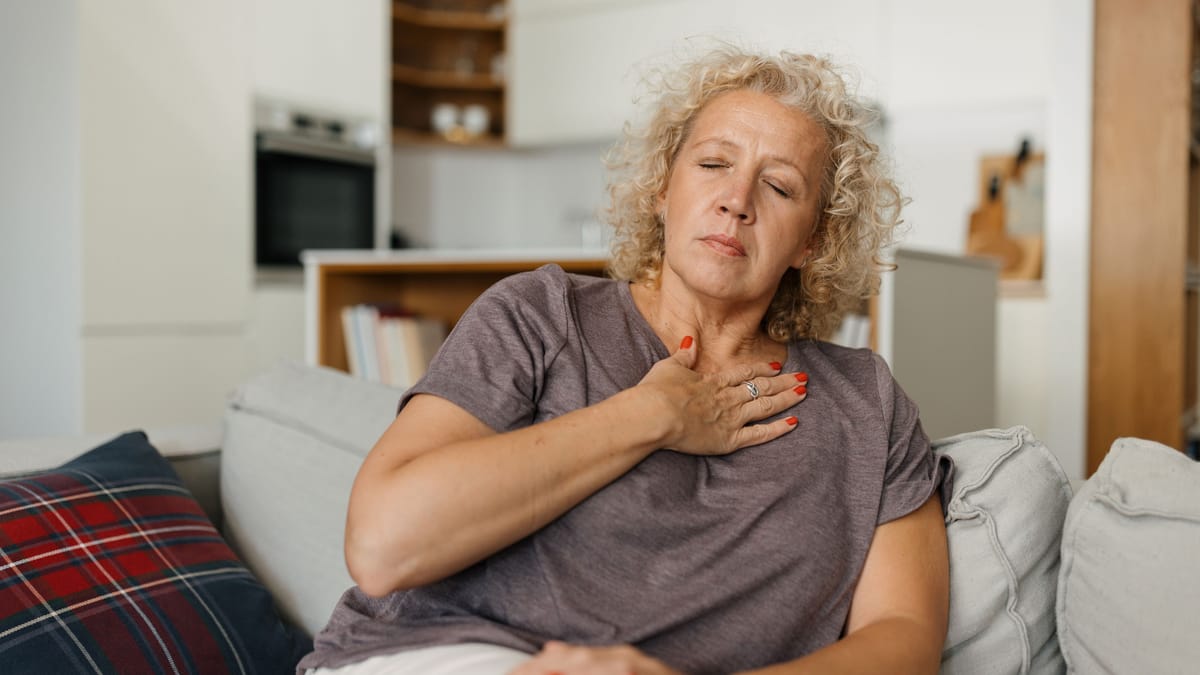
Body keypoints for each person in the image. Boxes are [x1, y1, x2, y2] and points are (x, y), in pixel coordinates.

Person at [299, 45, 953, 675]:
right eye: (713, 164)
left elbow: (904, 640)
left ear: (813, 240)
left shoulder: (867, 405)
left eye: (779, 186)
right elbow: (381, 545)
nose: (737, 200)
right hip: (434, 652)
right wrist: (648, 416)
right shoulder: (541, 314)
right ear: (663, 189)